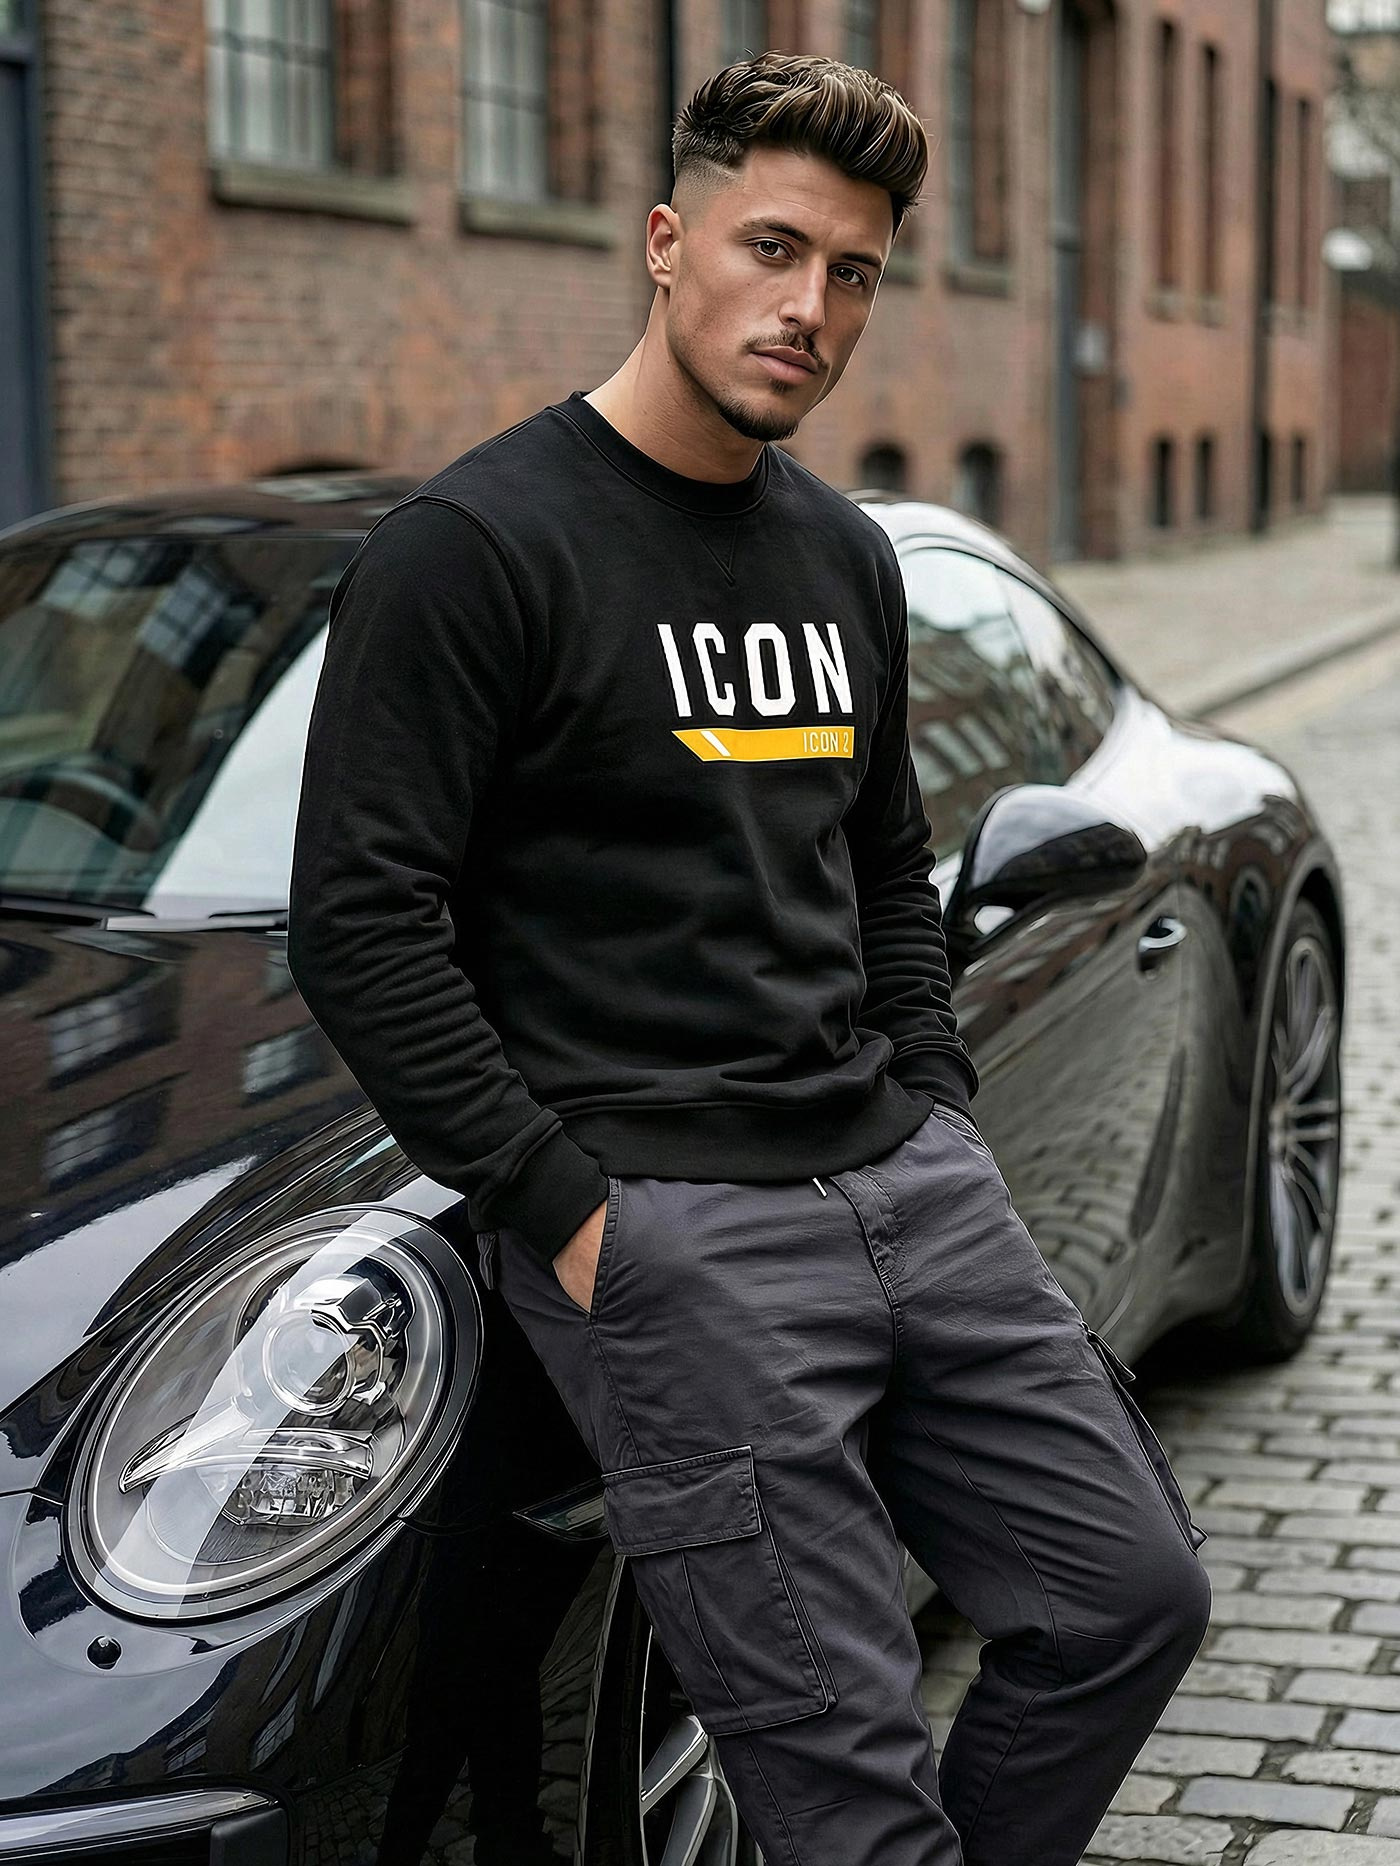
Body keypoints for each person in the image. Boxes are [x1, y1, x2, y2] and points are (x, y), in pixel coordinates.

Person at [287, 50, 1212, 1866]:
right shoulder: (476, 550)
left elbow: (882, 866)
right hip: (670, 1232)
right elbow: (362, 921)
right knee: (848, 1782)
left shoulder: (843, 556)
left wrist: (935, 1102)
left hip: (905, 1182)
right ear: (665, 240)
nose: (810, 308)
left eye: (853, 272)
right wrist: (568, 1210)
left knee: (1128, 1597)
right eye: (771, 249)